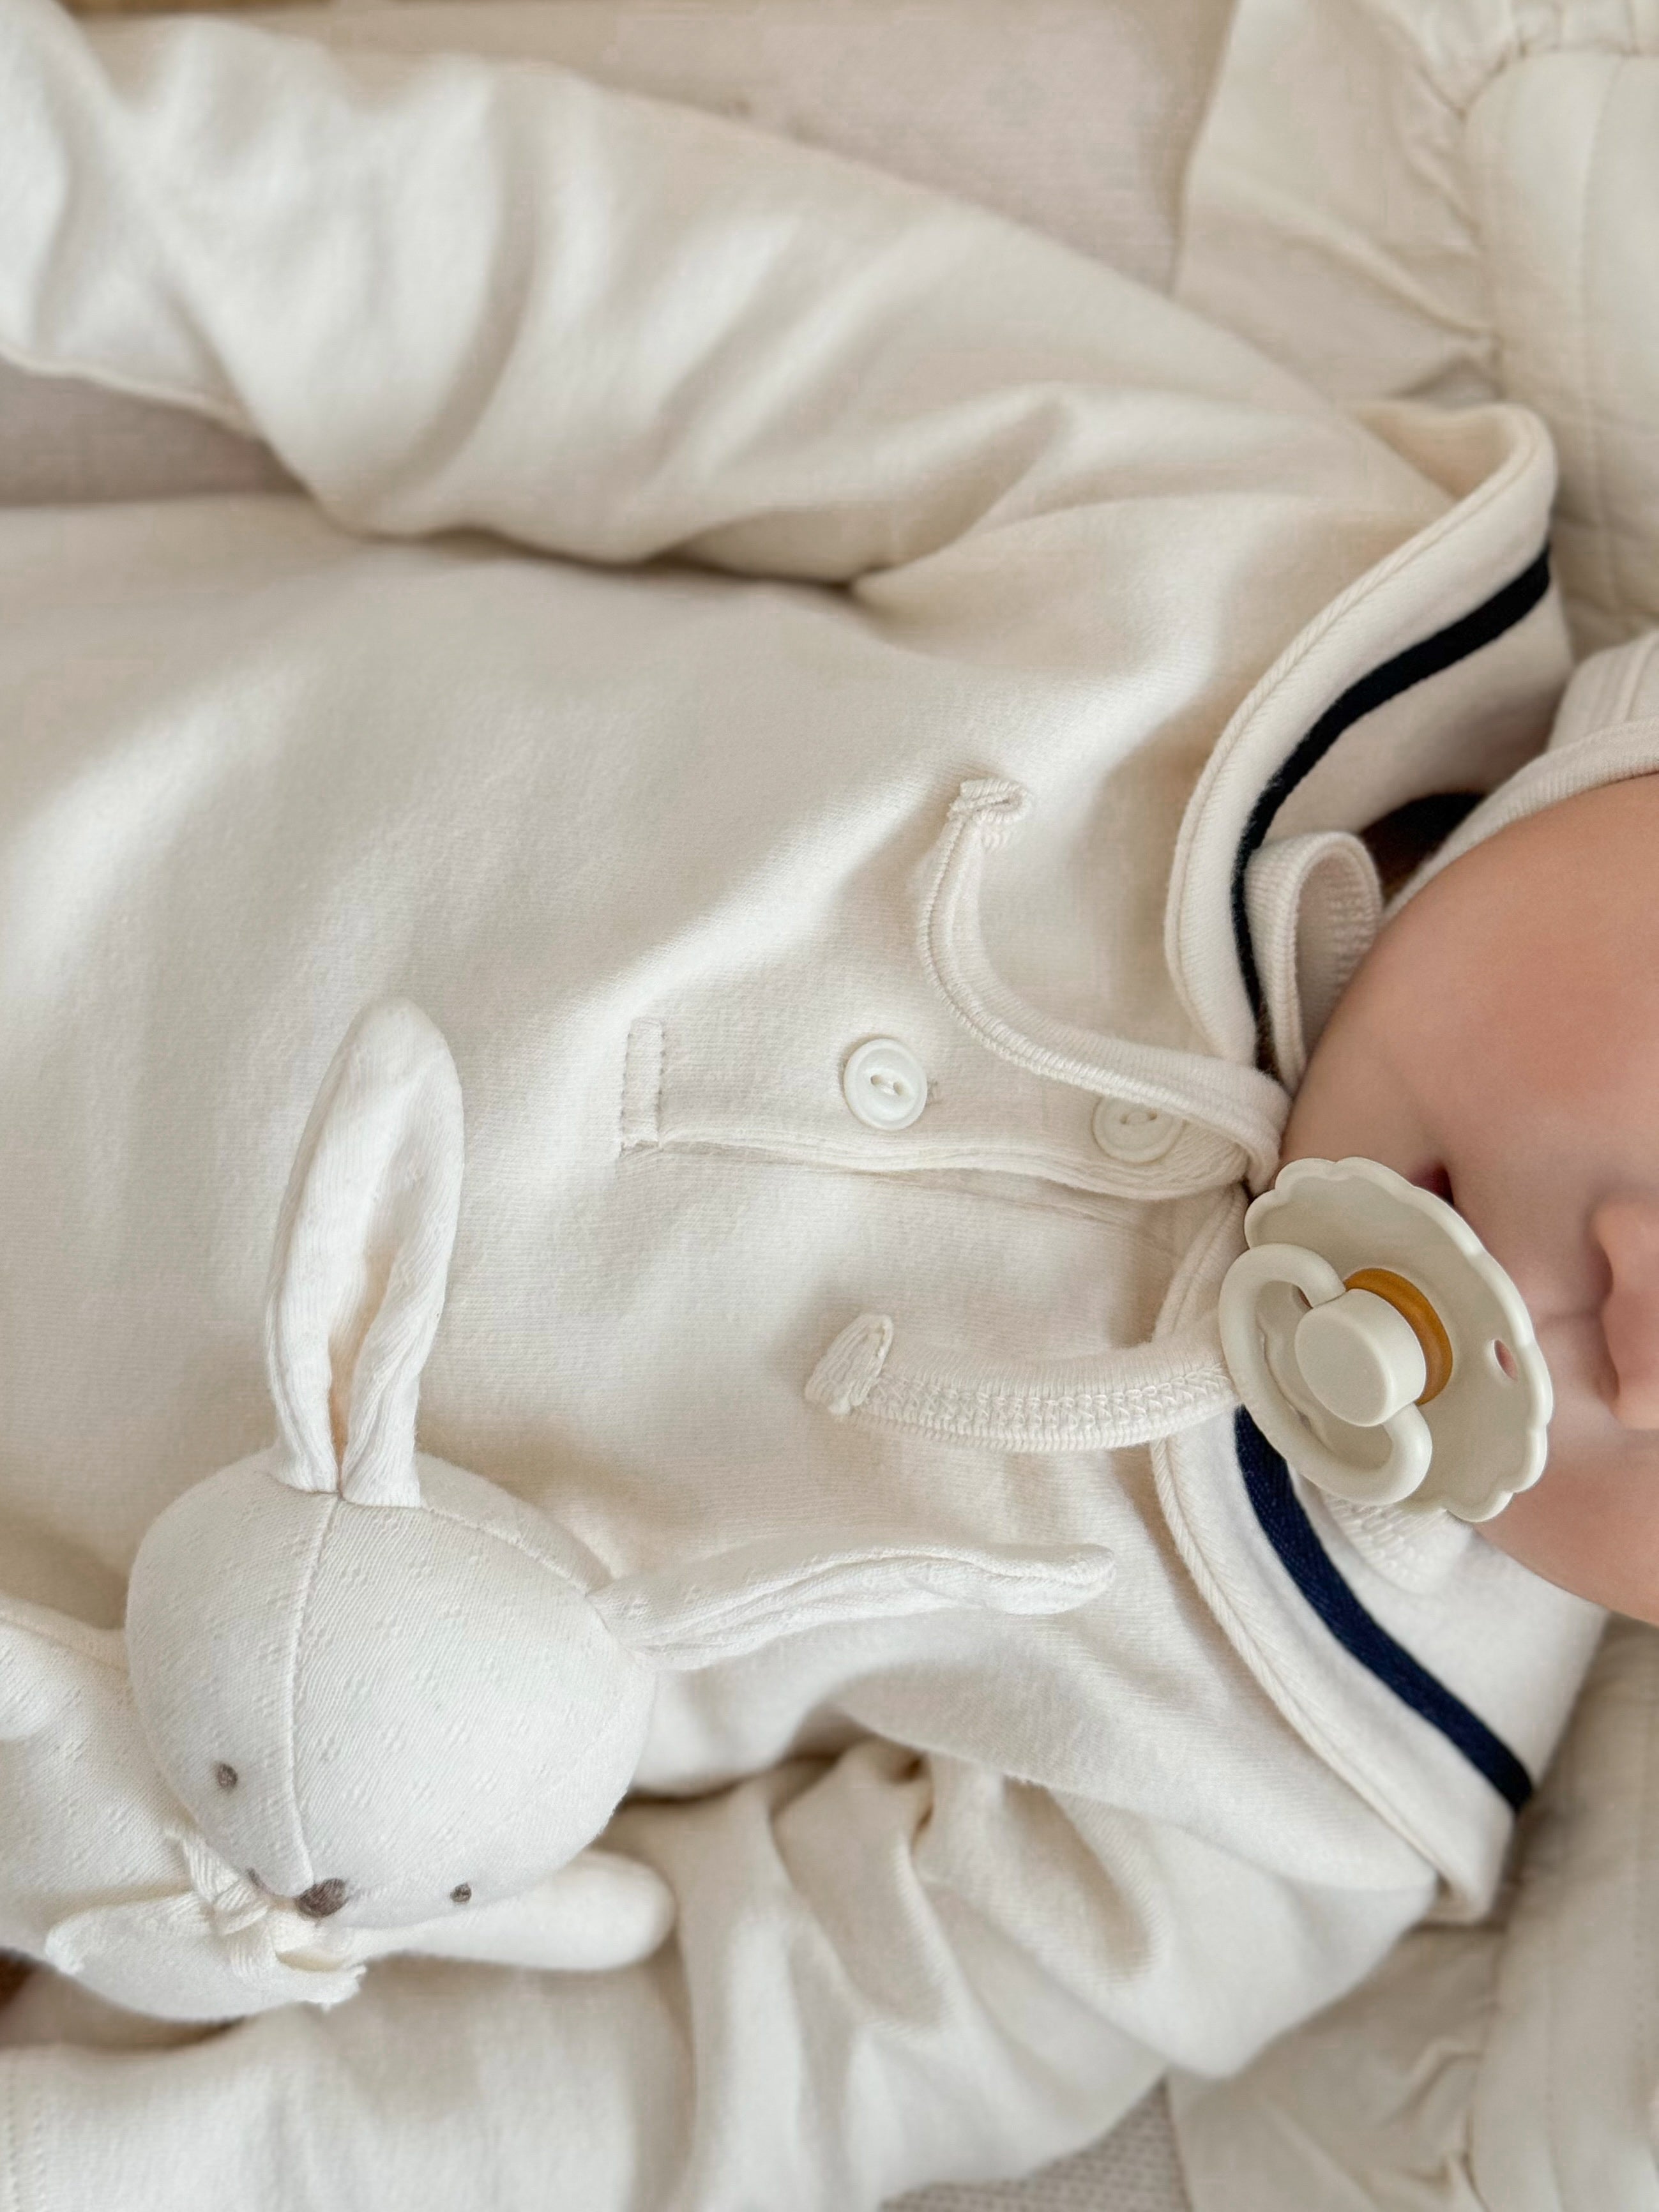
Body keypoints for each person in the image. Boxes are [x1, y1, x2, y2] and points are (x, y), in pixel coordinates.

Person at [0, 3, 1633, 2204]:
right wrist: (61, 175)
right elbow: (574, 300)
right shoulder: (1251, 572)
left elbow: (681, 2089)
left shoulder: (1299, 1787)